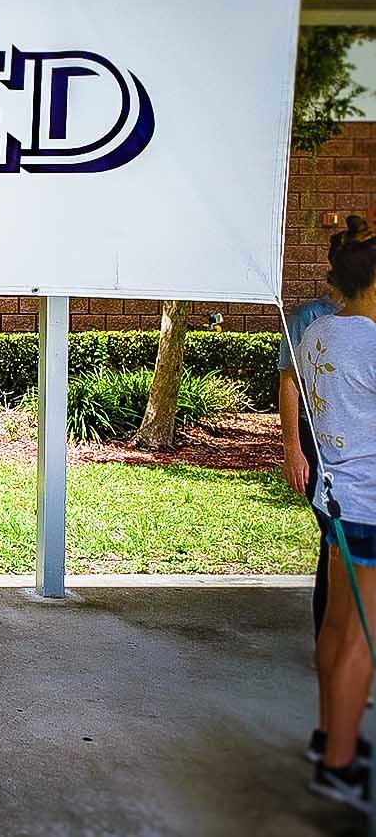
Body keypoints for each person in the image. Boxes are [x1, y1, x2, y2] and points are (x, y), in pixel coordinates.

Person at [299, 216, 376, 811]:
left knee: (337, 624)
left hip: (337, 499)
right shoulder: (373, 341)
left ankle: (330, 736)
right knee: (362, 639)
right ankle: (340, 765)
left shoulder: (318, 333)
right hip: (371, 504)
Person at [279, 283, 339, 638]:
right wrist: (292, 450)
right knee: (335, 533)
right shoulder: (306, 318)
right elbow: (289, 382)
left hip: (359, 446)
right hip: (316, 441)